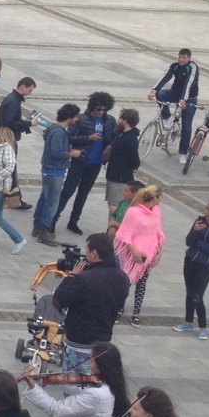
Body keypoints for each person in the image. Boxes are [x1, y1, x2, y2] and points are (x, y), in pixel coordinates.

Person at [22, 341, 128, 417]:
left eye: (92, 359)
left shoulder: (95, 395)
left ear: (102, 364)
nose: (89, 360)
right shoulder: (107, 383)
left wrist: (33, 387)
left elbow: (57, 410)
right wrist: (51, 378)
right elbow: (77, 390)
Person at [52, 233, 133, 372]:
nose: (86, 253)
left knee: (75, 384)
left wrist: (72, 276)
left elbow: (58, 301)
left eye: (87, 249)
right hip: (103, 344)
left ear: (94, 253)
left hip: (79, 343)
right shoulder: (123, 278)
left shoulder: (85, 279)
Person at [56, 92, 115, 236]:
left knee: (83, 194)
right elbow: (69, 138)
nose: (101, 112)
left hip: (95, 163)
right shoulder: (81, 119)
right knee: (68, 191)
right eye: (98, 109)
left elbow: (112, 139)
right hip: (80, 160)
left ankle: (73, 221)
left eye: (104, 110)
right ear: (92, 106)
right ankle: (53, 219)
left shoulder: (109, 121)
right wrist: (88, 138)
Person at [114, 184, 166, 326]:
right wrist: (134, 252)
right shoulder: (133, 212)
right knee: (125, 282)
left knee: (142, 283)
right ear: (155, 198)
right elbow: (124, 234)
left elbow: (158, 232)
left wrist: (159, 252)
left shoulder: (157, 212)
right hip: (131, 255)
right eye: (161, 197)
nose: (161, 200)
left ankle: (136, 313)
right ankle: (119, 308)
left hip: (149, 253)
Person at [32, 103, 80, 244]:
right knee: (51, 202)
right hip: (54, 171)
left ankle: (37, 226)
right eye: (76, 116)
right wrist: (71, 154)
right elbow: (56, 152)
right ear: (70, 117)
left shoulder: (54, 129)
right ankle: (44, 231)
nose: (77, 119)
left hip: (48, 170)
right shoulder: (59, 132)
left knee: (44, 198)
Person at [174, 197, 209, 339]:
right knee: (189, 291)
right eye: (206, 208)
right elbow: (188, 241)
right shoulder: (200, 221)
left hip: (205, 264)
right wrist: (194, 230)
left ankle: (203, 326)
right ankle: (188, 321)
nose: (207, 212)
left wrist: (197, 242)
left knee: (197, 295)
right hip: (190, 260)